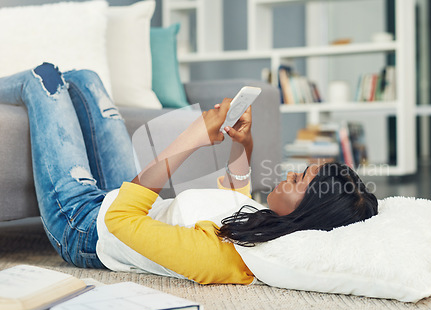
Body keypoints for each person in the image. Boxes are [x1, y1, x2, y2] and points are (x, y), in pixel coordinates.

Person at [0, 63, 378, 285]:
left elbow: (118, 221)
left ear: (306, 214)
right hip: (128, 198)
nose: (290, 174)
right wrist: (242, 143)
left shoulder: (216, 259)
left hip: (85, 224)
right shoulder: (267, 230)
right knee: (85, 79)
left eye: (299, 181)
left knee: (43, 78)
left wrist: (193, 137)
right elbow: (236, 198)